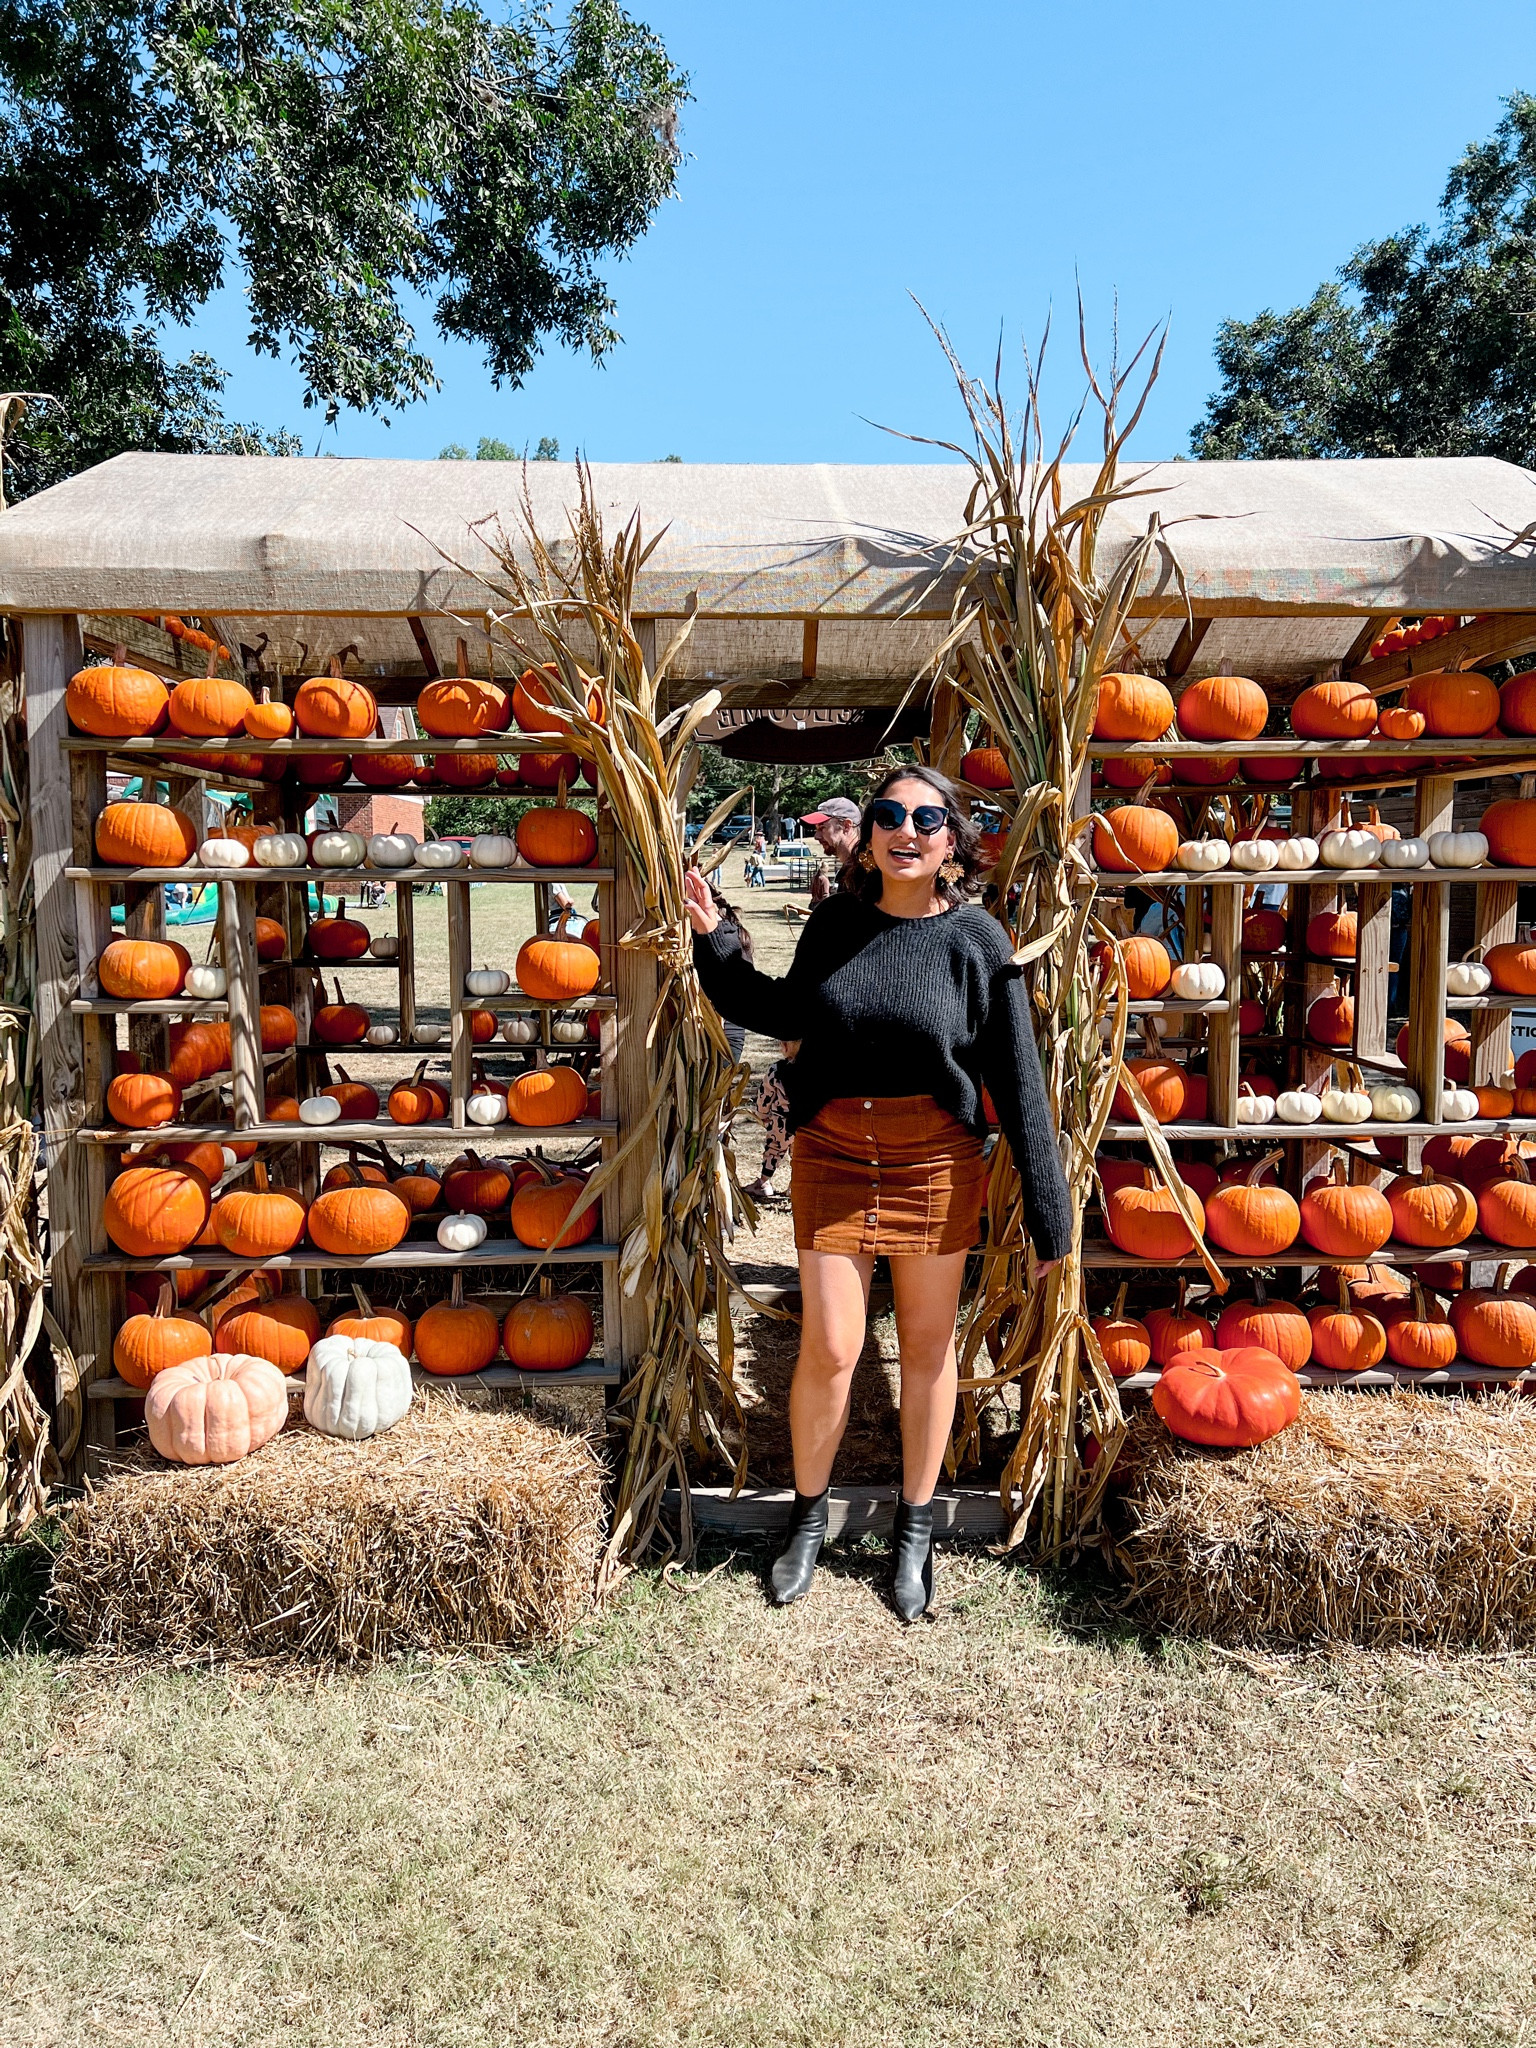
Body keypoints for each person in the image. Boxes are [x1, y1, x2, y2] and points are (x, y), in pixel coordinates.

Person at [685, 765, 1071, 1621]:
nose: (906, 830)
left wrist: (1052, 1218)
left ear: (952, 841)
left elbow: (1020, 1076)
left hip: (936, 1161)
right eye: (889, 814)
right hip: (833, 1153)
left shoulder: (977, 940)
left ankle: (914, 1534)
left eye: (926, 818)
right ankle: (807, 1523)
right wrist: (718, 942)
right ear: (867, 836)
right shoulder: (834, 924)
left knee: (928, 1353)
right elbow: (783, 1010)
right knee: (830, 1346)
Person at [801, 797, 861, 904]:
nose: (816, 836)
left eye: (822, 828)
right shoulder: (851, 867)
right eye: (816, 829)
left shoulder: (865, 869)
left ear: (846, 826)